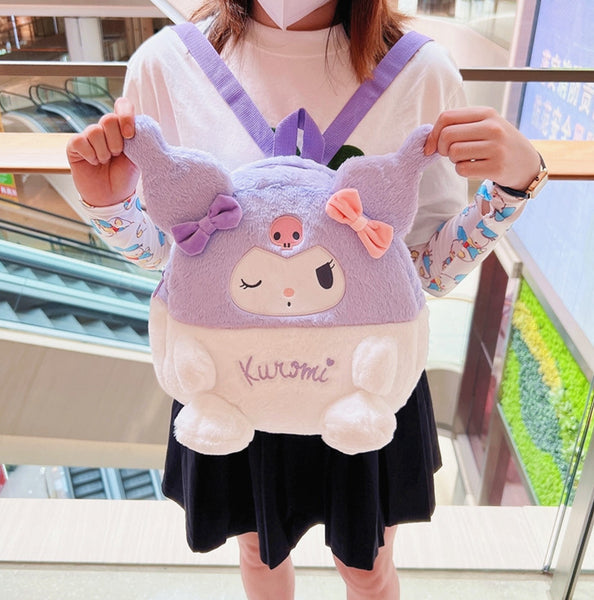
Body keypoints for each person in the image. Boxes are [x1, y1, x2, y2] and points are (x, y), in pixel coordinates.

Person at [66, 1, 544, 598]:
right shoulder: (168, 64)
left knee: (367, 568)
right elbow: (174, 260)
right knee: (257, 553)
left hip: (365, 377)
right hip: (234, 379)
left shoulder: (422, 71)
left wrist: (514, 184)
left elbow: (423, 272)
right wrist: (110, 206)